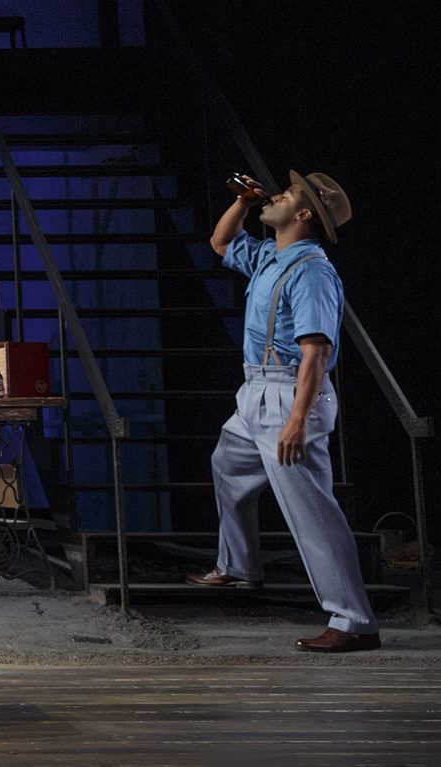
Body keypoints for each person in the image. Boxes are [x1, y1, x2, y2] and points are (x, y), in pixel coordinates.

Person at [184, 170, 375, 653]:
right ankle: (238, 566)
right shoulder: (273, 255)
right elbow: (221, 243)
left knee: (311, 512)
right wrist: (246, 203)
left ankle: (353, 621)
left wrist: (295, 420)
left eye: (286, 196)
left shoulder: (311, 271)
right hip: (255, 392)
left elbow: (316, 352)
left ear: (304, 214)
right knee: (227, 466)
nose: (277, 196)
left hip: (290, 396)